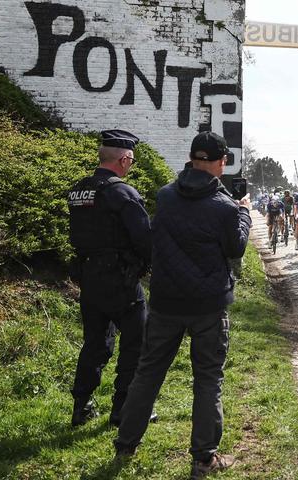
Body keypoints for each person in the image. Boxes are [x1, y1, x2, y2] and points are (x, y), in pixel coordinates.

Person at [114, 131, 251, 478]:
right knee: (208, 379)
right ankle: (203, 457)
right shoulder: (224, 207)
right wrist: (244, 214)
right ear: (220, 163)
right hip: (207, 305)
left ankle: (126, 442)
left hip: (166, 301)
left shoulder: (165, 196)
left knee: (148, 372)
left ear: (191, 160)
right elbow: (235, 248)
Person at [66, 129, 155, 428]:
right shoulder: (122, 193)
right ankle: (124, 410)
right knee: (135, 343)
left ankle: (82, 406)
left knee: (94, 342)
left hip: (89, 278)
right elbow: (145, 239)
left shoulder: (79, 190)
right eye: (131, 161)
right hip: (122, 281)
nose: (131, 166)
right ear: (124, 159)